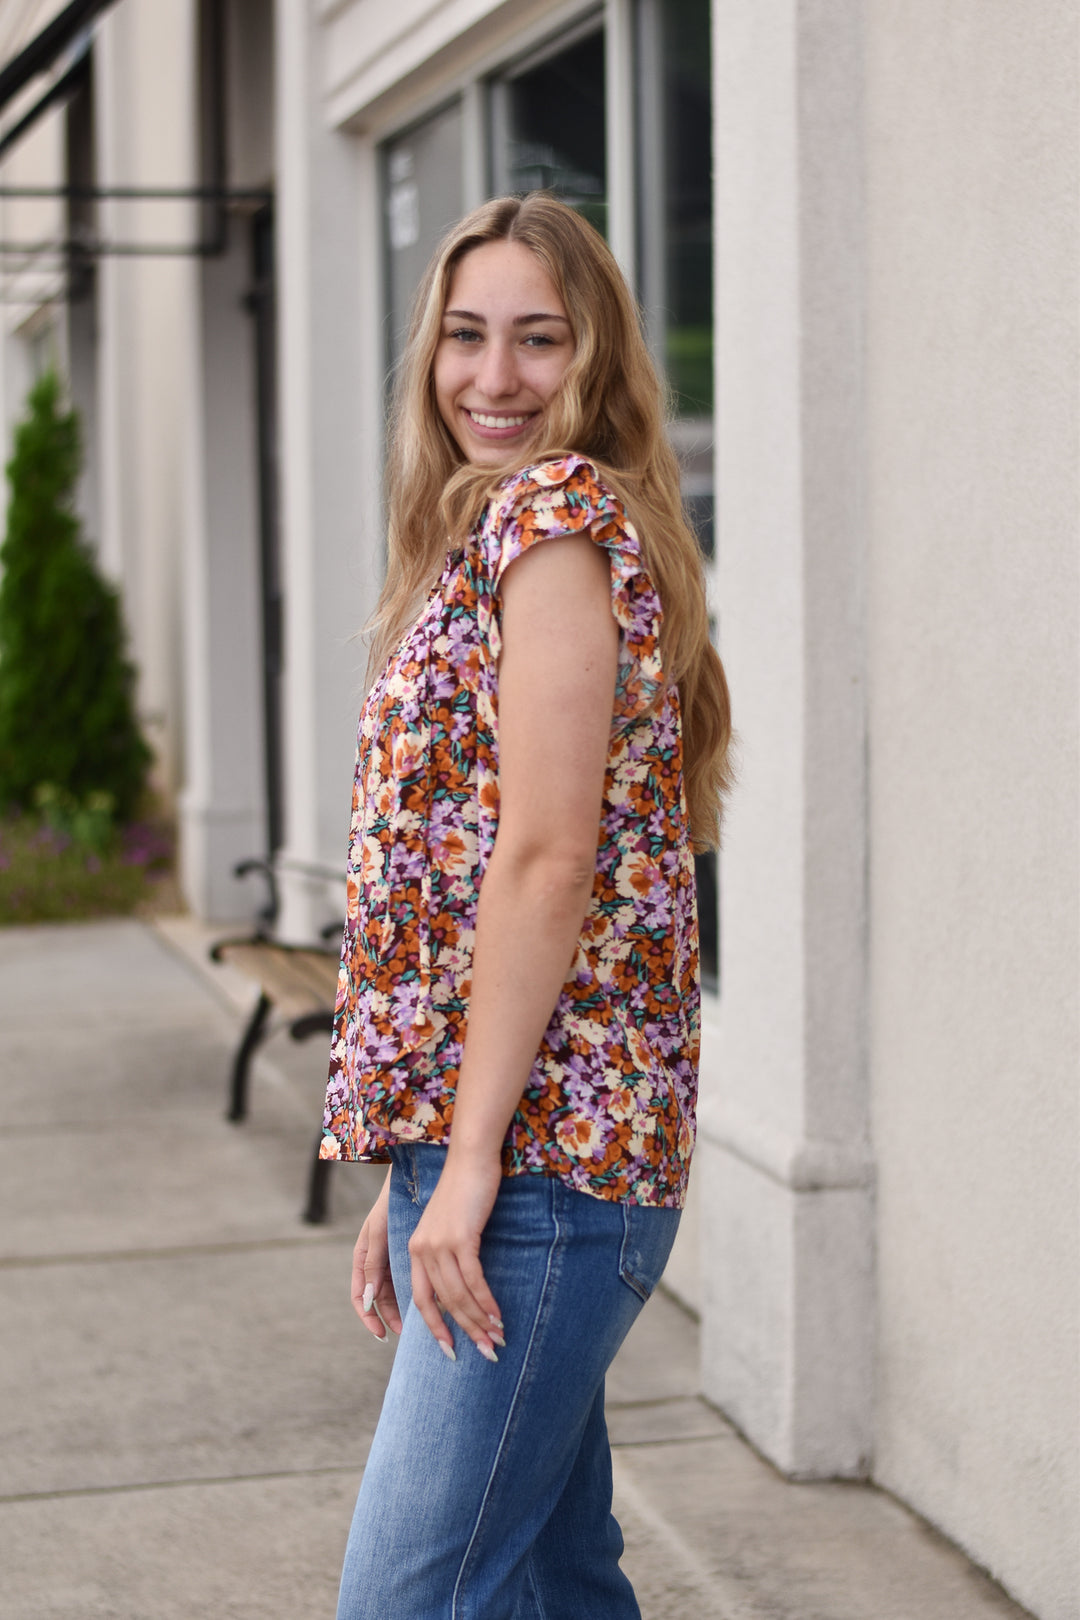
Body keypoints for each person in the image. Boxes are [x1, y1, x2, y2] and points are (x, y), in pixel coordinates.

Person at [320, 192, 733, 1620]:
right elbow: (448, 893)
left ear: (597, 356)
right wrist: (420, 1167)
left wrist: (476, 1158)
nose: (494, 378)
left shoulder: (554, 520)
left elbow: (546, 857)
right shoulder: (480, 531)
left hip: (551, 1161)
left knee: (408, 1600)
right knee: (557, 1580)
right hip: (514, 1151)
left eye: (538, 340)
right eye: (467, 336)